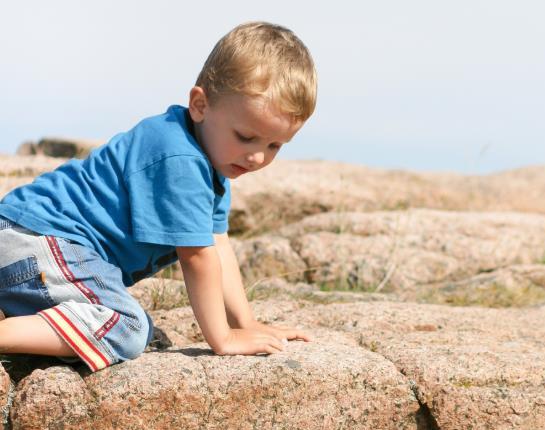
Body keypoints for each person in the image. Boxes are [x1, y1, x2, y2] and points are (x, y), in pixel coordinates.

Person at [0, 22, 315, 371]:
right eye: (245, 136)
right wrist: (222, 338)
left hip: (30, 244)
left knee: (131, 324)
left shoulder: (210, 160)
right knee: (127, 328)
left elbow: (218, 246)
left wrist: (246, 325)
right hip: (41, 241)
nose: (257, 157)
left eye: (274, 145)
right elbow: (197, 257)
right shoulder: (181, 160)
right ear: (200, 104)